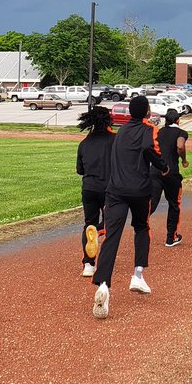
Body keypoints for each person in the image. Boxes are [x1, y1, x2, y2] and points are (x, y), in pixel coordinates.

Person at [89, 96, 170, 319]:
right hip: (140, 190)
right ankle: (137, 274)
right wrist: (163, 167)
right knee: (142, 228)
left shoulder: (121, 131)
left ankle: (103, 285)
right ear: (146, 111)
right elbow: (152, 150)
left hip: (115, 190)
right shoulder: (149, 129)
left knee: (112, 236)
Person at [76, 106, 114, 278]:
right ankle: (105, 261)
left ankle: (89, 263)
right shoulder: (115, 140)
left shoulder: (84, 143)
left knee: (89, 225)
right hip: (110, 189)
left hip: (89, 188)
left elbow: (80, 170)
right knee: (111, 225)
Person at [150, 109, 189, 247]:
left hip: (155, 170)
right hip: (171, 173)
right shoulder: (181, 133)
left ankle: (141, 227)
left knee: (151, 203)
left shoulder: (158, 132)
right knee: (174, 204)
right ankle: (170, 237)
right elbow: (180, 146)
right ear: (177, 120)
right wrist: (183, 159)